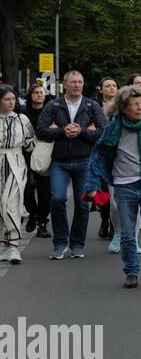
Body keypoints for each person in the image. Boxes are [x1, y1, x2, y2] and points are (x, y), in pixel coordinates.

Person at [86, 85, 141, 290]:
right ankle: (131, 271)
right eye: (134, 104)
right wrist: (91, 185)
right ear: (124, 108)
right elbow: (97, 155)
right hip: (124, 185)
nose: (140, 108)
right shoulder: (114, 126)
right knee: (126, 232)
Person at [36, 70, 108, 259]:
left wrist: (82, 131)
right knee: (58, 199)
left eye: (80, 82)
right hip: (59, 161)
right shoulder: (54, 105)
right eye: (73, 82)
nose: (77, 85)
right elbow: (41, 130)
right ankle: (60, 243)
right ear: (65, 85)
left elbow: (103, 132)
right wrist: (62, 131)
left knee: (83, 204)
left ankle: (77, 244)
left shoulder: (91, 105)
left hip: (85, 161)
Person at [0, 85, 35, 264]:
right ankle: (5, 246)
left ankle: (13, 246)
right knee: (1, 205)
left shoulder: (22, 119)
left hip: (16, 163)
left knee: (11, 203)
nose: (11, 102)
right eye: (7, 99)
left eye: (13, 99)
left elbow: (31, 144)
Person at [22, 82, 51, 238]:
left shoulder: (51, 112)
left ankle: (42, 223)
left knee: (45, 192)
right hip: (25, 155)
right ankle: (32, 213)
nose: (39, 95)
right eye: (36, 92)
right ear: (30, 95)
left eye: (42, 92)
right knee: (27, 189)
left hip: (45, 155)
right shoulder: (23, 113)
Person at [95, 77, 119, 241]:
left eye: (114, 86)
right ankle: (104, 218)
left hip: (118, 155)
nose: (111, 88)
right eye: (107, 86)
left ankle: (113, 224)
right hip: (98, 155)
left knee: (115, 192)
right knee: (101, 192)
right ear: (100, 89)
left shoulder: (122, 108)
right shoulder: (94, 107)